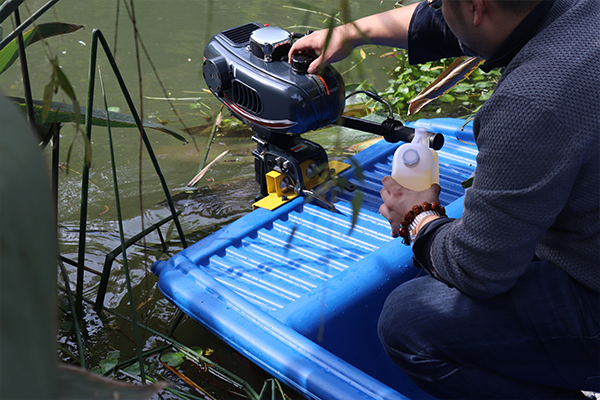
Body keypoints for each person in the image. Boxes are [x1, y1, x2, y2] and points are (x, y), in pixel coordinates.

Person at [290, 0, 599, 398]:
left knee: (410, 321)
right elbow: (451, 22)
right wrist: (351, 33)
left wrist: (417, 216)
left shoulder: (532, 100)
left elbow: (480, 269)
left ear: (476, 7)